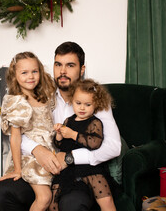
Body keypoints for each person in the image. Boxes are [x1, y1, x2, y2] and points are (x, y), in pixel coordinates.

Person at [0, 42, 121, 211]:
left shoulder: (94, 98)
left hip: (80, 172)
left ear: (82, 69)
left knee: (71, 204)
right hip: (43, 169)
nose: (62, 71)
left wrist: (70, 158)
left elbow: (113, 147)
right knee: (3, 192)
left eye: (70, 65)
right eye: (58, 64)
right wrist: (37, 149)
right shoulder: (42, 93)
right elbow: (21, 131)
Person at [0, 51, 56, 211]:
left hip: (50, 153)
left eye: (34, 71)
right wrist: (17, 169)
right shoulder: (17, 102)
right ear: (15, 76)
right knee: (44, 198)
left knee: (52, 200)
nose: (31, 76)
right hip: (31, 158)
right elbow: (15, 138)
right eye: (24, 72)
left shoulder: (45, 96)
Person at [50, 78, 117, 211]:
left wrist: (72, 134)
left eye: (88, 104)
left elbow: (95, 143)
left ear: (96, 104)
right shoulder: (68, 121)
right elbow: (60, 145)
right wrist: (59, 134)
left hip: (90, 169)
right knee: (53, 200)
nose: (82, 108)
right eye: (78, 103)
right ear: (72, 101)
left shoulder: (95, 122)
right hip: (68, 169)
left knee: (106, 200)